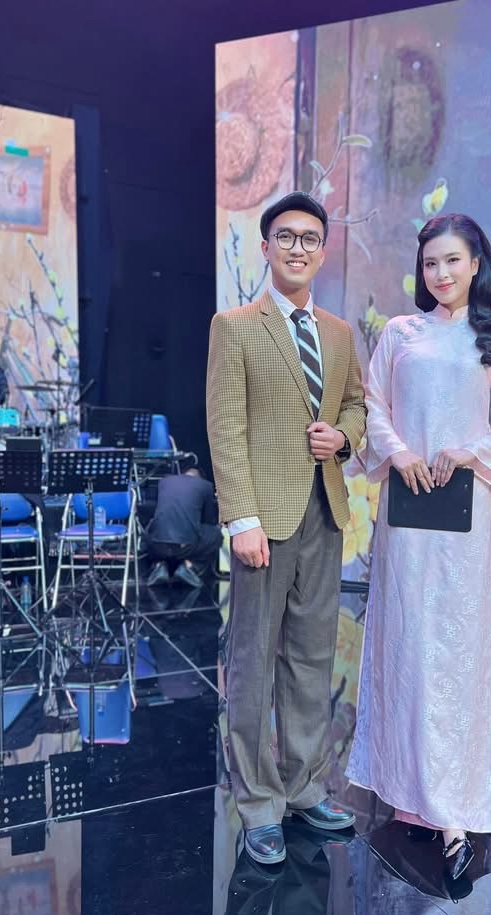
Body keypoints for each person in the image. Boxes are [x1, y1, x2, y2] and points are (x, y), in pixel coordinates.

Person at [345, 213, 491, 880]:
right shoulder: (399, 334)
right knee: (406, 646)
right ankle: (407, 790)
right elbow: (373, 407)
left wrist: (469, 451)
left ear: (476, 264)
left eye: (452, 260)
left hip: (468, 518)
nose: (441, 273)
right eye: (430, 263)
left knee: (458, 654)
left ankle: (453, 808)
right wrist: (398, 453)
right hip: (407, 517)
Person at [206, 191, 367, 865]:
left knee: (309, 660)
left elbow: (356, 405)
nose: (298, 247)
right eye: (286, 236)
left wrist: (344, 437)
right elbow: (225, 427)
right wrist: (241, 518)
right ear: (267, 247)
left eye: (309, 238)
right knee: (251, 666)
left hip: (324, 513)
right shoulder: (235, 326)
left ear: (323, 252)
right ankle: (258, 803)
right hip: (263, 524)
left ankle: (303, 790)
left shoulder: (338, 332)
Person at [144, 468, 222, 587]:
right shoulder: (205, 485)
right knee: (216, 535)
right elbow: (209, 521)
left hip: (156, 545)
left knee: (152, 529)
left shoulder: (164, 481)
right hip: (186, 546)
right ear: (200, 478)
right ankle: (189, 567)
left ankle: (159, 565)